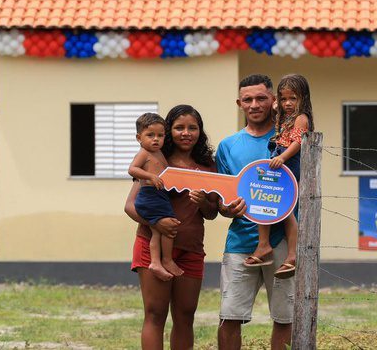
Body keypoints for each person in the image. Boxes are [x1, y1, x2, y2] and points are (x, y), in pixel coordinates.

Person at [125, 105, 222, 350]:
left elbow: (211, 213)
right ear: (169, 131)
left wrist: (203, 202)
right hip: (153, 248)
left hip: (191, 249)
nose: (186, 133)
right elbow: (130, 206)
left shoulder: (208, 166)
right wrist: (156, 223)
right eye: (179, 128)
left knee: (185, 316)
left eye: (192, 128)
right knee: (155, 314)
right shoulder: (156, 160)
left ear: (200, 131)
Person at [216, 74, 295, 350]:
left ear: (273, 100)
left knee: (286, 317)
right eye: (247, 99)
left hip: (283, 240)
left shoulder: (288, 140)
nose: (254, 104)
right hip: (240, 242)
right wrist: (228, 209)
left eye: (261, 98)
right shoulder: (227, 146)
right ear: (239, 104)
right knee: (229, 316)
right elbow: (222, 201)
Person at [245, 74, 314, 279]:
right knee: (266, 199)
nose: (287, 103)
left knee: (286, 210)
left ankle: (292, 255)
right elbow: (276, 108)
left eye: (293, 98)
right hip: (279, 161)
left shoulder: (301, 118)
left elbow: (297, 142)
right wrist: (276, 105)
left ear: (303, 98)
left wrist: (282, 157)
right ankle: (263, 245)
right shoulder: (286, 116)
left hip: (288, 163)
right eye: (283, 99)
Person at [128, 112, 182, 281]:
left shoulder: (159, 153)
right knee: (168, 228)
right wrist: (150, 176)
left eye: (160, 135)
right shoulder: (144, 153)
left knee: (157, 233)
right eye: (150, 135)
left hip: (159, 196)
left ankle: (156, 262)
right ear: (139, 138)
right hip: (149, 196)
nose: (156, 139)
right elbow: (132, 169)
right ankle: (166, 260)